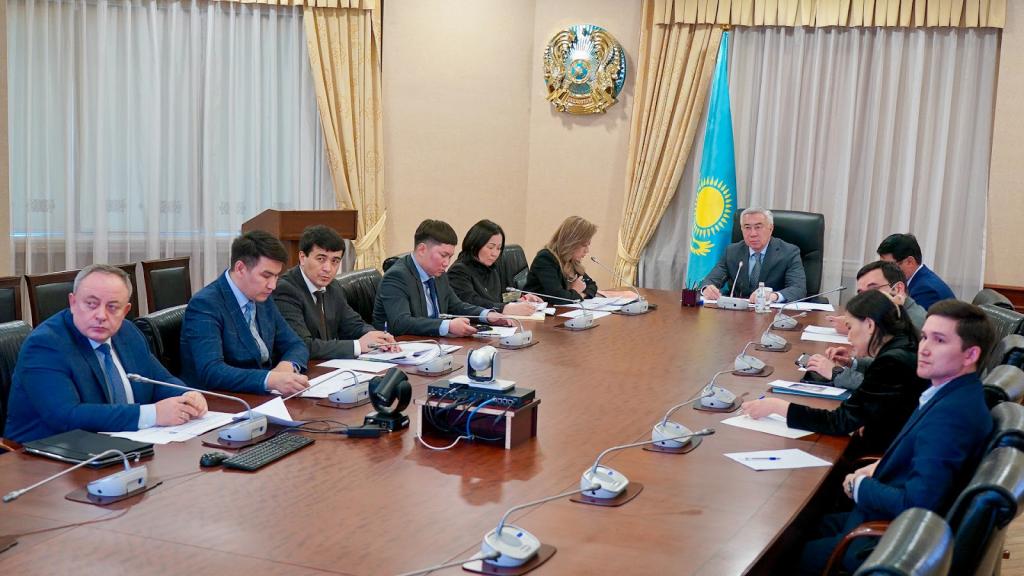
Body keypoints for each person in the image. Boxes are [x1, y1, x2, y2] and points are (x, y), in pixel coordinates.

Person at [796, 300, 995, 575]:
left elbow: (918, 504)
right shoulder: (951, 394)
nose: (924, 348)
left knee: (788, 554)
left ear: (970, 354)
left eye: (939, 340)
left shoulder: (951, 418)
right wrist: (880, 466)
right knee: (800, 528)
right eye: (924, 336)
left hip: (884, 544)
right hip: (878, 518)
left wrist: (860, 485)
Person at [5, 264, 208, 443]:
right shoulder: (45, 345)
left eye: (112, 307)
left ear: (125, 310)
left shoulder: (128, 332)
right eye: (91, 304)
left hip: (119, 447)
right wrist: (153, 414)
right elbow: (67, 416)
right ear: (73, 303)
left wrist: (186, 395)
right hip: (47, 457)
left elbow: (159, 380)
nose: (101, 315)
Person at [741, 290, 927, 456]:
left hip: (887, 455)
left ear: (870, 325)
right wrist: (852, 362)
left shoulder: (891, 362)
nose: (848, 337)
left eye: (850, 327)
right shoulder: (905, 342)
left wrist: (778, 407)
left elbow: (840, 421)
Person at [181, 230, 309, 395]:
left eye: (276, 276)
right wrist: (270, 380)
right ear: (240, 268)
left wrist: (287, 366)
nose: (273, 285)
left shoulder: (262, 297)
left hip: (261, 397)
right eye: (266, 276)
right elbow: (211, 371)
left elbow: (296, 344)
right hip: (221, 400)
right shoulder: (205, 305)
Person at [273, 225, 396, 360]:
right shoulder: (285, 290)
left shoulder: (333, 286)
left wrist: (377, 337)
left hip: (329, 365)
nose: (328, 268)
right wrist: (358, 346)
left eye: (335, 261)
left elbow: (353, 325)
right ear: (302, 257)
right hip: (299, 368)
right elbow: (302, 345)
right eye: (321, 259)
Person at [372, 219, 511, 337]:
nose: (446, 263)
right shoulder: (397, 277)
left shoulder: (438, 273)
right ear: (422, 249)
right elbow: (400, 323)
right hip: (401, 348)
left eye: (450, 257)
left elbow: (456, 305)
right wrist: (447, 326)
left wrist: (486, 315)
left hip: (434, 343)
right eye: (443, 255)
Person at [812, 261, 926, 390]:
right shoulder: (896, 315)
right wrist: (852, 362)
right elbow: (885, 366)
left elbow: (885, 383)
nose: (866, 299)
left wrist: (836, 373)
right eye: (862, 293)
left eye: (872, 290)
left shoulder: (914, 323)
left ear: (898, 289)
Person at [700, 207, 807, 303]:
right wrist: (707, 289)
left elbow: (798, 289)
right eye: (747, 228)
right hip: (737, 312)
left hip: (770, 313)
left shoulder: (789, 252)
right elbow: (710, 280)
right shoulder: (732, 251)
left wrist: (773, 296)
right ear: (741, 229)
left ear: (771, 228)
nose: (753, 234)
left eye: (758, 227)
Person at [448, 219, 543, 316]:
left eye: (498, 248)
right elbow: (471, 301)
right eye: (490, 247)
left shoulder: (492, 267)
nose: (495, 254)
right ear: (475, 244)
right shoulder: (458, 271)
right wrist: (504, 309)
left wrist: (521, 297)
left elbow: (500, 297)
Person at [523, 215, 599, 303]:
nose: (587, 251)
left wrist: (581, 295)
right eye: (584, 245)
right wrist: (576, 291)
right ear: (571, 242)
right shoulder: (546, 258)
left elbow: (592, 286)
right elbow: (558, 297)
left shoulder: (571, 261)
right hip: (539, 309)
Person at [876, 233, 955, 310]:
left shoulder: (925, 291)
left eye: (888, 266)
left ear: (909, 262)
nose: (884, 271)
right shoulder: (919, 281)